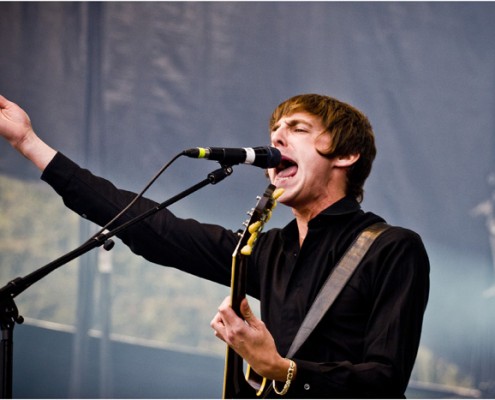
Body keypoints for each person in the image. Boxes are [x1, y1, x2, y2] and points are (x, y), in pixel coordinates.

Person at [0, 93, 429, 398]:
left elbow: (385, 379)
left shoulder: (392, 248)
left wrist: (283, 370)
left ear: (346, 154)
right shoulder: (266, 248)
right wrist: (29, 144)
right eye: (274, 131)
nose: (277, 139)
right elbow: (156, 230)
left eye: (297, 129)